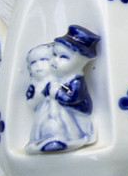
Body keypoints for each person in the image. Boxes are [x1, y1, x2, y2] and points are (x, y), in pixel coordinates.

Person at [25, 25, 101, 153]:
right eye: (54, 55)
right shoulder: (55, 79)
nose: (55, 60)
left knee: (61, 123)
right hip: (51, 111)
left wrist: (57, 93)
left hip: (74, 112)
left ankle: (62, 139)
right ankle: (43, 139)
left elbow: (72, 98)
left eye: (63, 57)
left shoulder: (76, 80)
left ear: (81, 60)